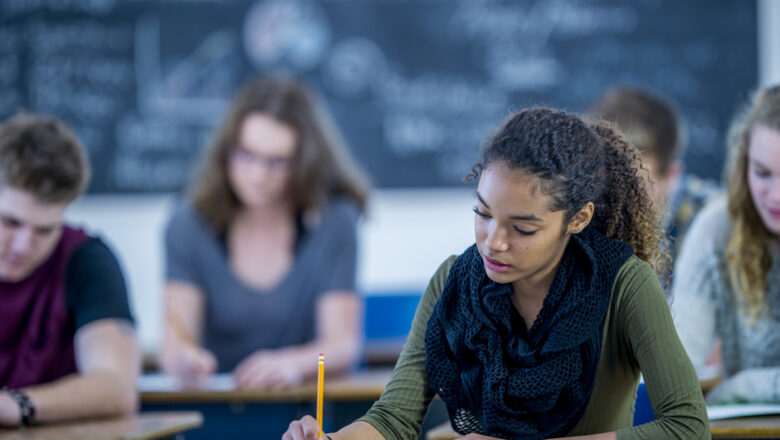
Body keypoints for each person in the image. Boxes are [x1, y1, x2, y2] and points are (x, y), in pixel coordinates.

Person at [283, 108, 709, 440]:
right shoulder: (453, 280)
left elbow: (687, 427)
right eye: (482, 214)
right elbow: (394, 419)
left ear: (577, 219)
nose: (493, 242)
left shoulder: (624, 284)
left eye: (523, 228)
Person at [159, 75, 369, 389]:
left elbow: (342, 345)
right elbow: (175, 344)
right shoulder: (187, 223)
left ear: (304, 162)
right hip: (215, 409)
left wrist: (292, 364)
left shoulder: (335, 221)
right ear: (226, 149)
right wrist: (183, 360)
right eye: (246, 155)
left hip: (302, 410)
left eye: (277, 162)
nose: (258, 174)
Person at [0, 114, 138, 427]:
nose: (23, 246)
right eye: (10, 222)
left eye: (45, 230)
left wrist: (16, 405)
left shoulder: (87, 261)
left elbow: (117, 388)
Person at [672, 85, 780, 404]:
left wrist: (737, 389)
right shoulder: (717, 229)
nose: (775, 196)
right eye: (762, 173)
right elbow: (675, 369)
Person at [590, 87, 721, 260]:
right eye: (601, 178)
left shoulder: (718, 222)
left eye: (631, 184)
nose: (609, 196)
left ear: (672, 175)